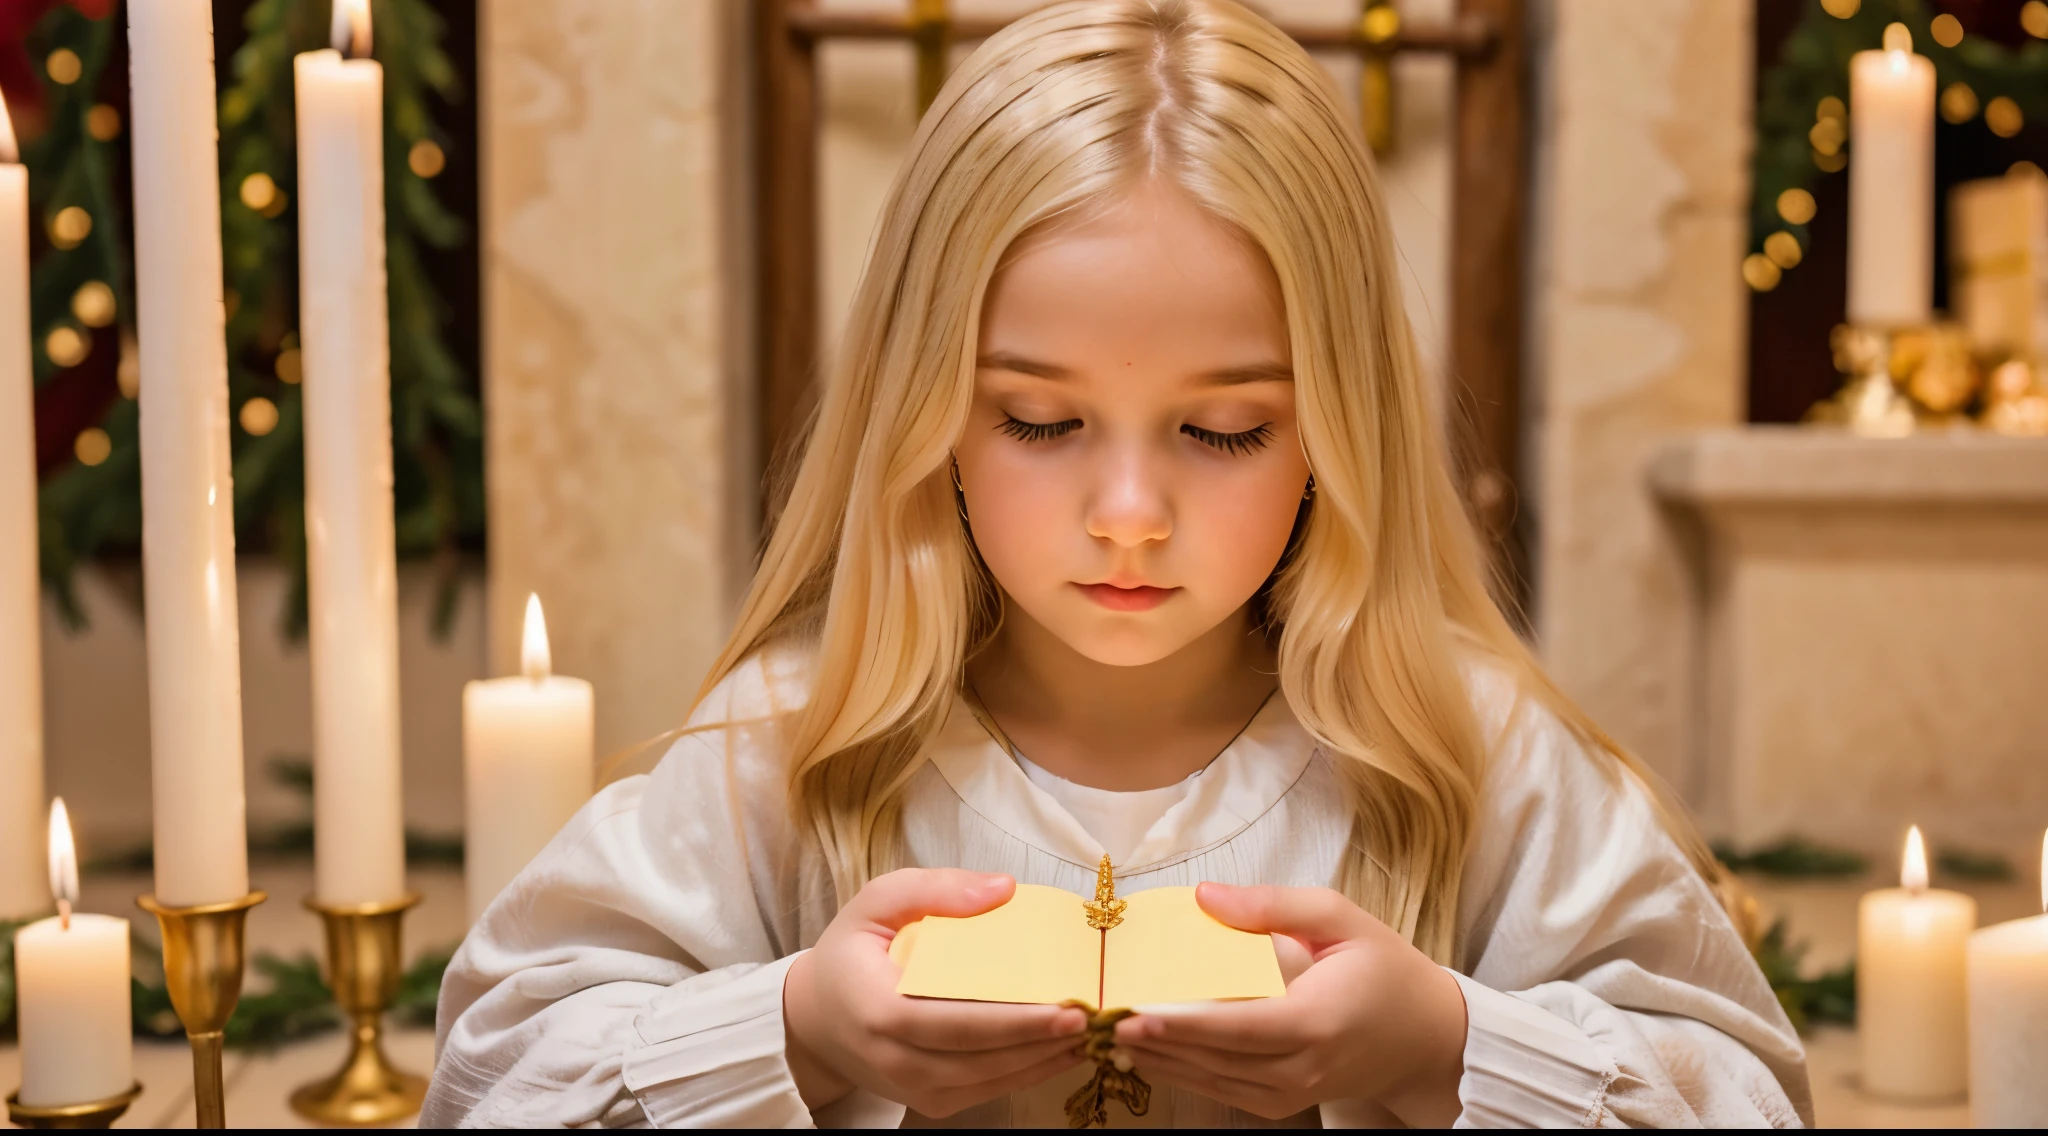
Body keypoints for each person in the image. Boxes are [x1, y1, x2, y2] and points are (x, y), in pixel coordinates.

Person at [423, 0, 1809, 1126]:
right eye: (1041, 421)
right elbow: (495, 1074)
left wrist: (1440, 1049)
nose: (1130, 513)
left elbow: (1747, 1094)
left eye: (1223, 431)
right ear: (929, 415)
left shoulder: (1467, 754)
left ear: (1335, 429)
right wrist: (794, 1029)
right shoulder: (790, 755)